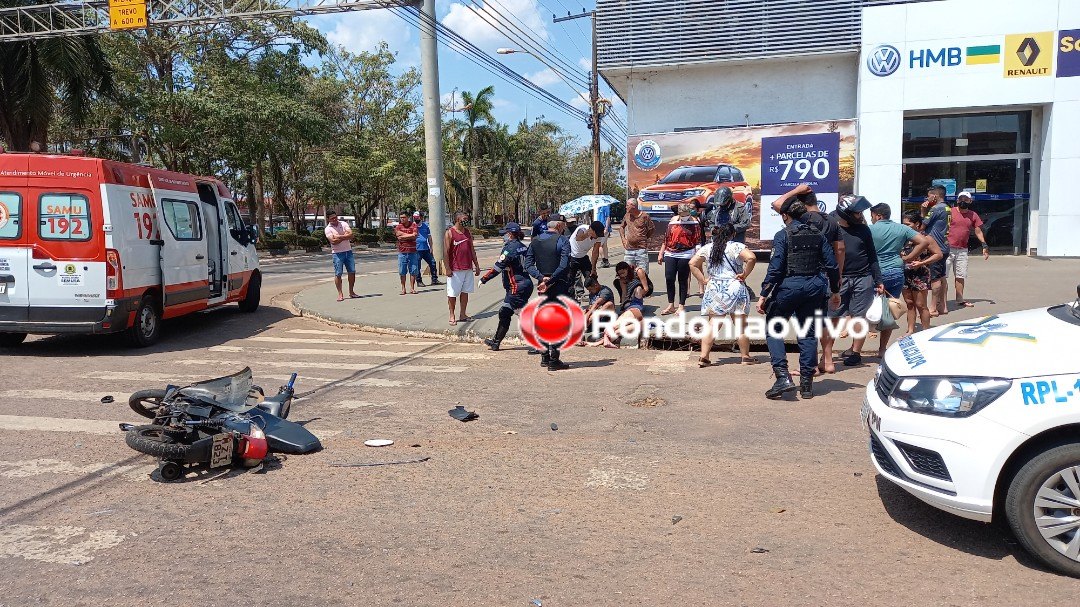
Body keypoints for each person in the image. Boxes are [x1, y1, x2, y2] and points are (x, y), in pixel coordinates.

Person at [758, 198, 840, 400]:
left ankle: (783, 376)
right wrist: (836, 290)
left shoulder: (782, 235)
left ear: (785, 216)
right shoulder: (819, 235)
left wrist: (764, 294)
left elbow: (775, 268)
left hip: (789, 286)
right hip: (815, 287)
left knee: (773, 327)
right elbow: (832, 265)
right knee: (808, 333)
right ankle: (806, 385)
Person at [821, 195, 884, 369]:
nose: (860, 215)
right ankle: (826, 356)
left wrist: (878, 279)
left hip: (863, 278)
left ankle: (855, 353)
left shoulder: (863, 229)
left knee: (859, 317)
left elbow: (872, 255)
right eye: (857, 213)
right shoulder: (830, 226)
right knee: (832, 317)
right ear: (846, 213)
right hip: (838, 279)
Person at [690, 223, 758, 367]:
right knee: (741, 325)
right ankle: (745, 356)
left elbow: (693, 263)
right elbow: (751, 258)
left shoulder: (708, 248)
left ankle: (704, 356)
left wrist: (702, 280)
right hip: (734, 287)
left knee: (713, 324)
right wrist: (744, 274)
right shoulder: (736, 246)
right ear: (732, 234)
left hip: (715, 288)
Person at [869, 202, 929, 356]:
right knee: (890, 308)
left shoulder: (870, 229)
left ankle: (855, 349)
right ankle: (882, 349)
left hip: (875, 272)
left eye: (872, 217)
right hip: (896, 271)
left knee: (866, 308)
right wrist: (909, 257)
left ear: (878, 216)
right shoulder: (902, 228)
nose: (871, 220)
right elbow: (923, 242)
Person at [525, 214, 572, 370]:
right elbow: (564, 265)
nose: (565, 227)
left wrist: (541, 278)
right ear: (559, 225)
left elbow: (528, 264)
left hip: (542, 286)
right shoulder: (563, 241)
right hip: (559, 285)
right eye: (563, 225)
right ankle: (554, 359)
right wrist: (550, 280)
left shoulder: (536, 241)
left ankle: (544, 356)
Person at [479, 222, 533, 351]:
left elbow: (498, 267)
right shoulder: (522, 247)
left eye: (505, 234)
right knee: (504, 313)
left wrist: (484, 278)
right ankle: (496, 342)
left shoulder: (509, 249)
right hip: (524, 285)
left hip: (516, 287)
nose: (504, 237)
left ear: (509, 234)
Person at [771, 184, 844, 277]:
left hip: (803, 271)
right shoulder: (832, 220)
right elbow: (840, 249)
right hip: (825, 272)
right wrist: (838, 275)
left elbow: (776, 204)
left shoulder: (802, 217)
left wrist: (796, 190)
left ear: (800, 204)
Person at [901, 210, 944, 335]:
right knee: (909, 303)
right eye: (903, 224)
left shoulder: (927, 238)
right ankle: (910, 330)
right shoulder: (904, 238)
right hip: (905, 273)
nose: (905, 227)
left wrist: (922, 263)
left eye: (908, 224)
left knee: (920, 304)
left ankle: (925, 332)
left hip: (920, 274)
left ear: (918, 224)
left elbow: (938, 254)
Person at [657, 203, 701, 315]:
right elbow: (666, 238)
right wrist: (661, 253)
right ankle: (671, 305)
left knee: (683, 279)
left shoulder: (694, 222)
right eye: (682, 214)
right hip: (670, 253)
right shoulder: (673, 220)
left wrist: (697, 256)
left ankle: (681, 305)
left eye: (686, 214)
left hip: (686, 253)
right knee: (669, 278)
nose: (684, 216)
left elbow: (697, 241)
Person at [947, 191, 989, 308]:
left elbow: (978, 230)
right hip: (947, 248)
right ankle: (941, 302)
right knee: (942, 277)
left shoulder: (973, 215)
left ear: (970, 201)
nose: (963, 201)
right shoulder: (949, 212)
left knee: (960, 275)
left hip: (962, 250)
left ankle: (959, 299)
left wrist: (984, 245)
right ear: (957, 200)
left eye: (966, 199)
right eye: (961, 199)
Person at [599, 262, 646, 349]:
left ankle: (603, 341)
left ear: (627, 269)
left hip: (634, 308)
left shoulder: (636, 282)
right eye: (620, 274)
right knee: (618, 329)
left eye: (623, 273)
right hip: (633, 310)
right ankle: (600, 342)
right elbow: (624, 295)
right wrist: (623, 306)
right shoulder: (622, 281)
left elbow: (642, 292)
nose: (622, 275)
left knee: (614, 326)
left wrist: (636, 294)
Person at [445, 211, 480, 325]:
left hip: (467, 268)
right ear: (457, 219)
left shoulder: (467, 232)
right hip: (455, 269)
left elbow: (472, 249)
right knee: (453, 293)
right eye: (464, 218)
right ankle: (452, 315)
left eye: (467, 218)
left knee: (465, 292)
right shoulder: (450, 233)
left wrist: (476, 265)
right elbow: (445, 252)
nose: (466, 220)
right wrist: (448, 268)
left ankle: (463, 314)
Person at [921, 185, 951, 317]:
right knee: (942, 276)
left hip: (935, 247)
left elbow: (922, 225)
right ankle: (943, 306)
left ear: (935, 196)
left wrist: (923, 209)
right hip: (944, 246)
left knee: (935, 278)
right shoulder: (947, 207)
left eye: (928, 195)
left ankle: (932, 307)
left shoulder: (935, 208)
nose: (927, 198)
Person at [324, 210, 358, 302]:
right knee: (338, 273)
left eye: (335, 217)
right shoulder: (328, 229)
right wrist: (344, 236)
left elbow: (351, 235)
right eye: (332, 218)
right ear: (328, 219)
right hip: (337, 254)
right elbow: (333, 242)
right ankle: (340, 294)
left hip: (348, 251)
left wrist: (338, 236)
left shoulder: (343, 223)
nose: (335, 219)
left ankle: (351, 292)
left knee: (352, 272)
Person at [620, 198, 654, 278]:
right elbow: (621, 227)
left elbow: (651, 229)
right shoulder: (627, 216)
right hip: (629, 250)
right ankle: (630, 289)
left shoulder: (645, 216)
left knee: (642, 273)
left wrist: (643, 238)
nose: (626, 207)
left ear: (633, 206)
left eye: (627, 205)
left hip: (641, 250)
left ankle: (643, 289)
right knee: (627, 273)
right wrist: (623, 239)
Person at [569, 220, 605, 293]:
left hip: (583, 256)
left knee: (591, 277)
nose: (598, 236)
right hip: (572, 256)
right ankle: (571, 297)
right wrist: (588, 234)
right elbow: (578, 238)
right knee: (570, 280)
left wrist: (593, 268)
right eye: (597, 234)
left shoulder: (599, 236)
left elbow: (595, 252)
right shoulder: (582, 229)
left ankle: (594, 296)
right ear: (592, 230)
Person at [413, 210, 441, 287]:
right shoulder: (412, 226)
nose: (416, 219)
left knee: (432, 262)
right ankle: (419, 281)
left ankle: (434, 279)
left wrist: (431, 247)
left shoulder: (425, 226)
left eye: (417, 218)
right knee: (417, 266)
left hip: (426, 249)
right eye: (415, 218)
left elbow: (429, 237)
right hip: (416, 250)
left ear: (421, 218)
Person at [394, 212, 419, 296]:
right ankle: (403, 288)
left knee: (413, 270)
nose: (402, 219)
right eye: (401, 217)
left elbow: (415, 235)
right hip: (402, 252)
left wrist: (403, 235)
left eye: (404, 217)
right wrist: (410, 235)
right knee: (402, 271)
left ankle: (412, 288)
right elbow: (398, 235)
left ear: (408, 217)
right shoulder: (398, 226)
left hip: (413, 252)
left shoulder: (414, 225)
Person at [595, 203, 613, 267]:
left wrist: (606, 228)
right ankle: (606, 260)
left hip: (603, 228)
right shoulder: (599, 207)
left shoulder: (605, 207)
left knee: (600, 244)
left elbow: (608, 218)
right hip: (600, 228)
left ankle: (604, 260)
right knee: (604, 244)